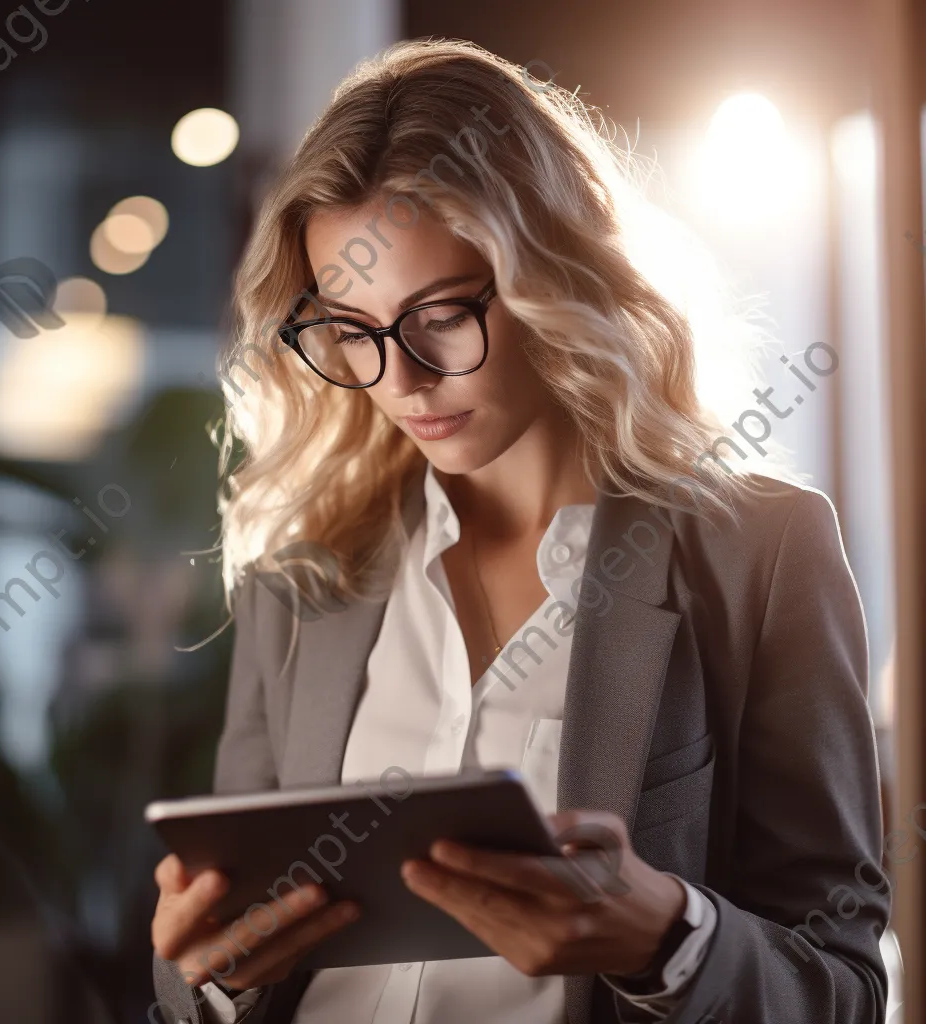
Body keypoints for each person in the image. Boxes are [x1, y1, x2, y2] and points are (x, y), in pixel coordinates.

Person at [149, 38, 889, 1024]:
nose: (400, 380)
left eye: (442, 316)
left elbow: (840, 985)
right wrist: (216, 977)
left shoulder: (758, 552)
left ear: (556, 282)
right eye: (351, 329)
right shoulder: (304, 574)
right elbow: (197, 978)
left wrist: (667, 937)